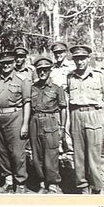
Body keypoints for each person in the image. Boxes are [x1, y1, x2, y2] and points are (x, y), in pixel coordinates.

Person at [67, 45, 104, 194]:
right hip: (76, 115)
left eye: (82, 58)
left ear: (88, 59)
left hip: (94, 115)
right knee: (78, 155)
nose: (79, 62)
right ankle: (83, 187)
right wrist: (67, 123)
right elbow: (67, 103)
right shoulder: (70, 77)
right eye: (77, 59)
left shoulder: (100, 75)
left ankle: (97, 187)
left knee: (94, 155)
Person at [0, 50, 31, 194]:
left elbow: (27, 103)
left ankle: (20, 182)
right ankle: (8, 180)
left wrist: (25, 124)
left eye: (9, 63)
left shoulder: (22, 80)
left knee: (17, 152)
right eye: (3, 63)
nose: (6, 65)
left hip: (15, 117)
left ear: (14, 63)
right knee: (2, 151)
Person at [30, 56, 67, 194]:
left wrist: (62, 128)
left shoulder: (57, 88)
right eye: (40, 70)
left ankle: (52, 184)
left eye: (45, 70)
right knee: (36, 154)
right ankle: (42, 182)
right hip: (34, 121)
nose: (42, 72)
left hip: (50, 122)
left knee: (51, 154)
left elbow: (63, 108)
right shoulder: (33, 88)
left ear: (50, 70)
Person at [49, 42, 76, 164]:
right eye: (56, 53)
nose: (58, 55)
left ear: (65, 53)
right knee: (57, 124)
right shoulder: (52, 69)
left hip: (68, 99)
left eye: (60, 52)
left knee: (68, 126)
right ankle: (59, 153)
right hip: (55, 100)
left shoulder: (72, 67)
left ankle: (70, 152)